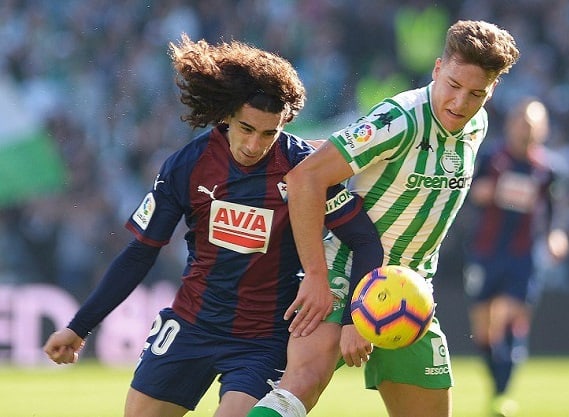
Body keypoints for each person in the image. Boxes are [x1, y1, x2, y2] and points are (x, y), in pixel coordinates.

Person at [43, 35, 382, 417]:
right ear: (226, 114)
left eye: (269, 133)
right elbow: (140, 253)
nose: (255, 144)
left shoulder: (306, 171)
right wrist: (79, 327)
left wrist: (356, 317)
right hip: (191, 325)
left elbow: (365, 240)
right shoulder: (187, 165)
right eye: (246, 128)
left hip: (263, 340)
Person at [248, 20, 520, 417]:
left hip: (409, 294)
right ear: (437, 68)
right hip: (343, 277)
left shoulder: (477, 124)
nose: (460, 103)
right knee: (298, 388)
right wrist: (317, 278)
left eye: (476, 93)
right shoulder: (401, 118)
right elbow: (305, 178)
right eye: (454, 86)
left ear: (492, 89)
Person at [462, 97, 569, 416]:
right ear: (511, 125)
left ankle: (502, 393)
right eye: (523, 122)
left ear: (544, 130)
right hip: (486, 251)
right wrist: (481, 193)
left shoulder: (548, 169)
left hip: (523, 256)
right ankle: (497, 384)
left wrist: (555, 235)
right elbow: (469, 192)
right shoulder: (493, 159)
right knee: (484, 330)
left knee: (510, 320)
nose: (527, 130)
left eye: (534, 124)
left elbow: (554, 210)